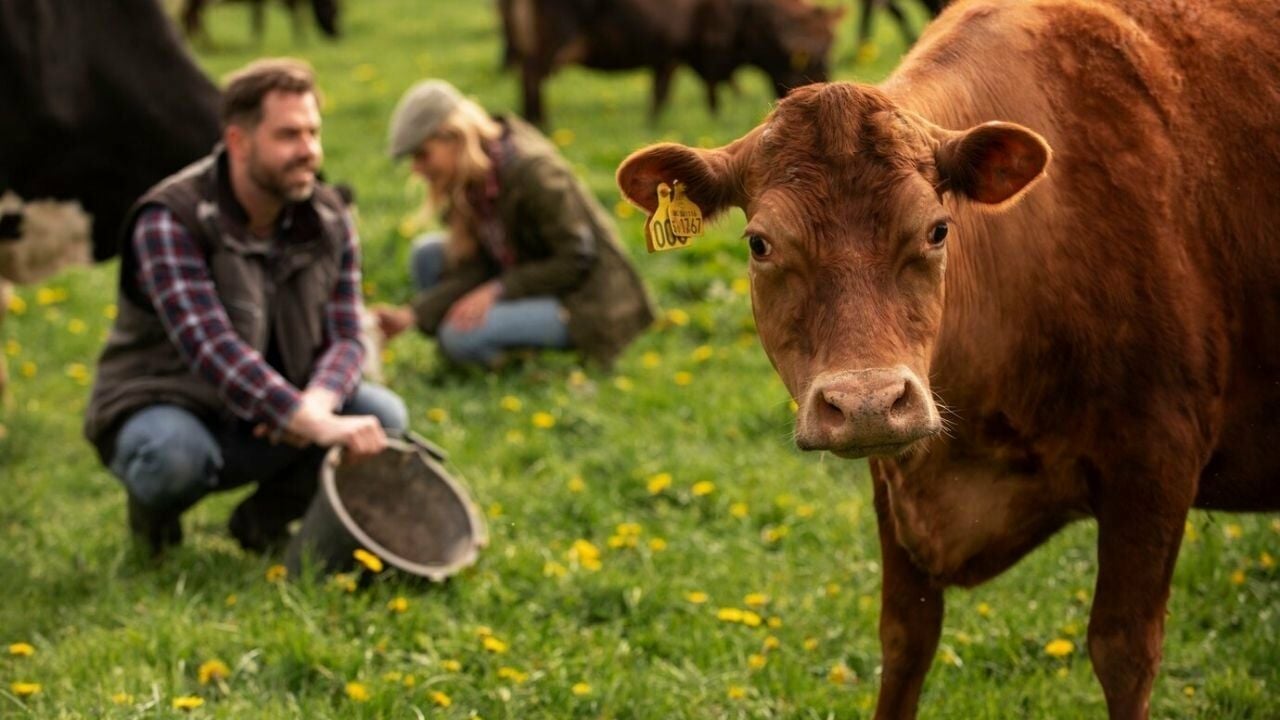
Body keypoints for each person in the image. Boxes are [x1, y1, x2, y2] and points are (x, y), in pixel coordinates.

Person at [83, 59, 406, 556]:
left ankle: (261, 521)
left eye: (313, 132)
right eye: (289, 135)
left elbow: (347, 335)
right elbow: (212, 348)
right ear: (239, 141)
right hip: (174, 403)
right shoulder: (170, 219)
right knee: (173, 459)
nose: (309, 151)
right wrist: (303, 417)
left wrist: (316, 405)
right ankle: (154, 520)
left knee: (383, 417)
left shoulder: (329, 217)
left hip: (277, 412)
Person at [373, 80, 655, 369]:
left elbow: (576, 259)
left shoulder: (534, 172)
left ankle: (512, 362)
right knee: (427, 254)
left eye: (422, 154)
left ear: (453, 136)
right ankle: (481, 346)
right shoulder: (471, 178)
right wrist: (413, 315)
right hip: (525, 275)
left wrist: (497, 290)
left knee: (457, 336)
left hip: (580, 297)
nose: (416, 168)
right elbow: (479, 264)